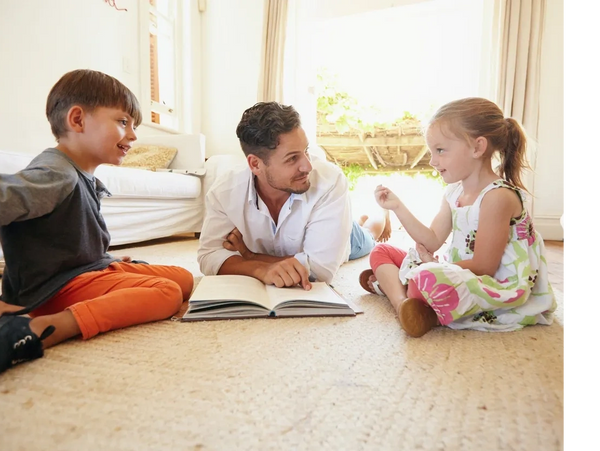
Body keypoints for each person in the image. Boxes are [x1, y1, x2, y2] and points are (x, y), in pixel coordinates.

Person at [0, 69, 194, 374]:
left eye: (134, 126)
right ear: (77, 120)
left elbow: (69, 239)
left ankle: (102, 278)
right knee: (166, 293)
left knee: (182, 278)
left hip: (84, 270)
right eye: (122, 122)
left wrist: (106, 259)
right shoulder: (55, 173)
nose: (133, 135)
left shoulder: (79, 171)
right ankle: (47, 326)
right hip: (54, 290)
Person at [359, 97, 557, 338]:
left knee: (425, 276)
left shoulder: (498, 197)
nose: (433, 161)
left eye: (440, 150)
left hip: (492, 283)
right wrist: (397, 207)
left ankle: (409, 299)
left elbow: (485, 266)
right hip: (455, 271)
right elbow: (431, 240)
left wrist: (431, 265)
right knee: (381, 252)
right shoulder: (454, 192)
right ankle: (404, 304)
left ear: (477, 147)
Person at [197, 101, 390, 288]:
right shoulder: (225, 191)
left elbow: (319, 270)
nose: (308, 166)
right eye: (292, 158)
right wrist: (258, 269)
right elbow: (208, 256)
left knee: (369, 235)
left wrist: (249, 257)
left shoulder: (330, 182)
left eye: (306, 151)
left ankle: (382, 213)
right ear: (255, 164)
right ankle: (361, 218)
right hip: (324, 226)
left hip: (346, 237)